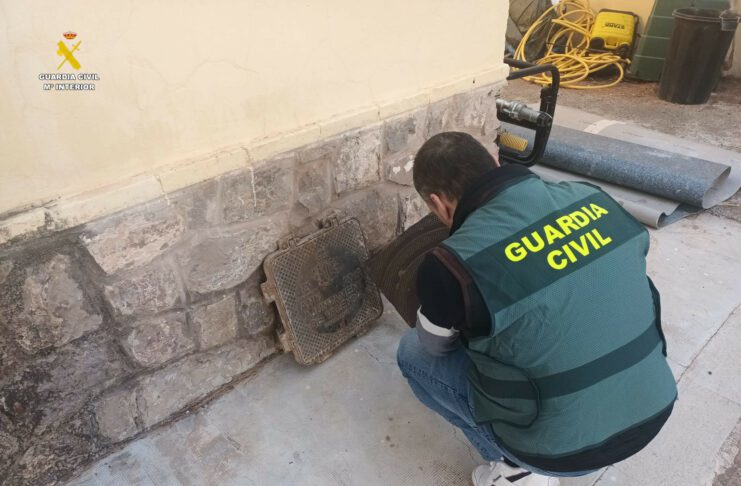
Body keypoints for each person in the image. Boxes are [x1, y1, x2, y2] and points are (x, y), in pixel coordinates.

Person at [396, 132, 677, 486]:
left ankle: (515, 470)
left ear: (439, 205)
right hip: (654, 409)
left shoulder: (451, 264)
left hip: (560, 454)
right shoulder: (592, 197)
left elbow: (434, 346)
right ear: (495, 161)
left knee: (411, 353)